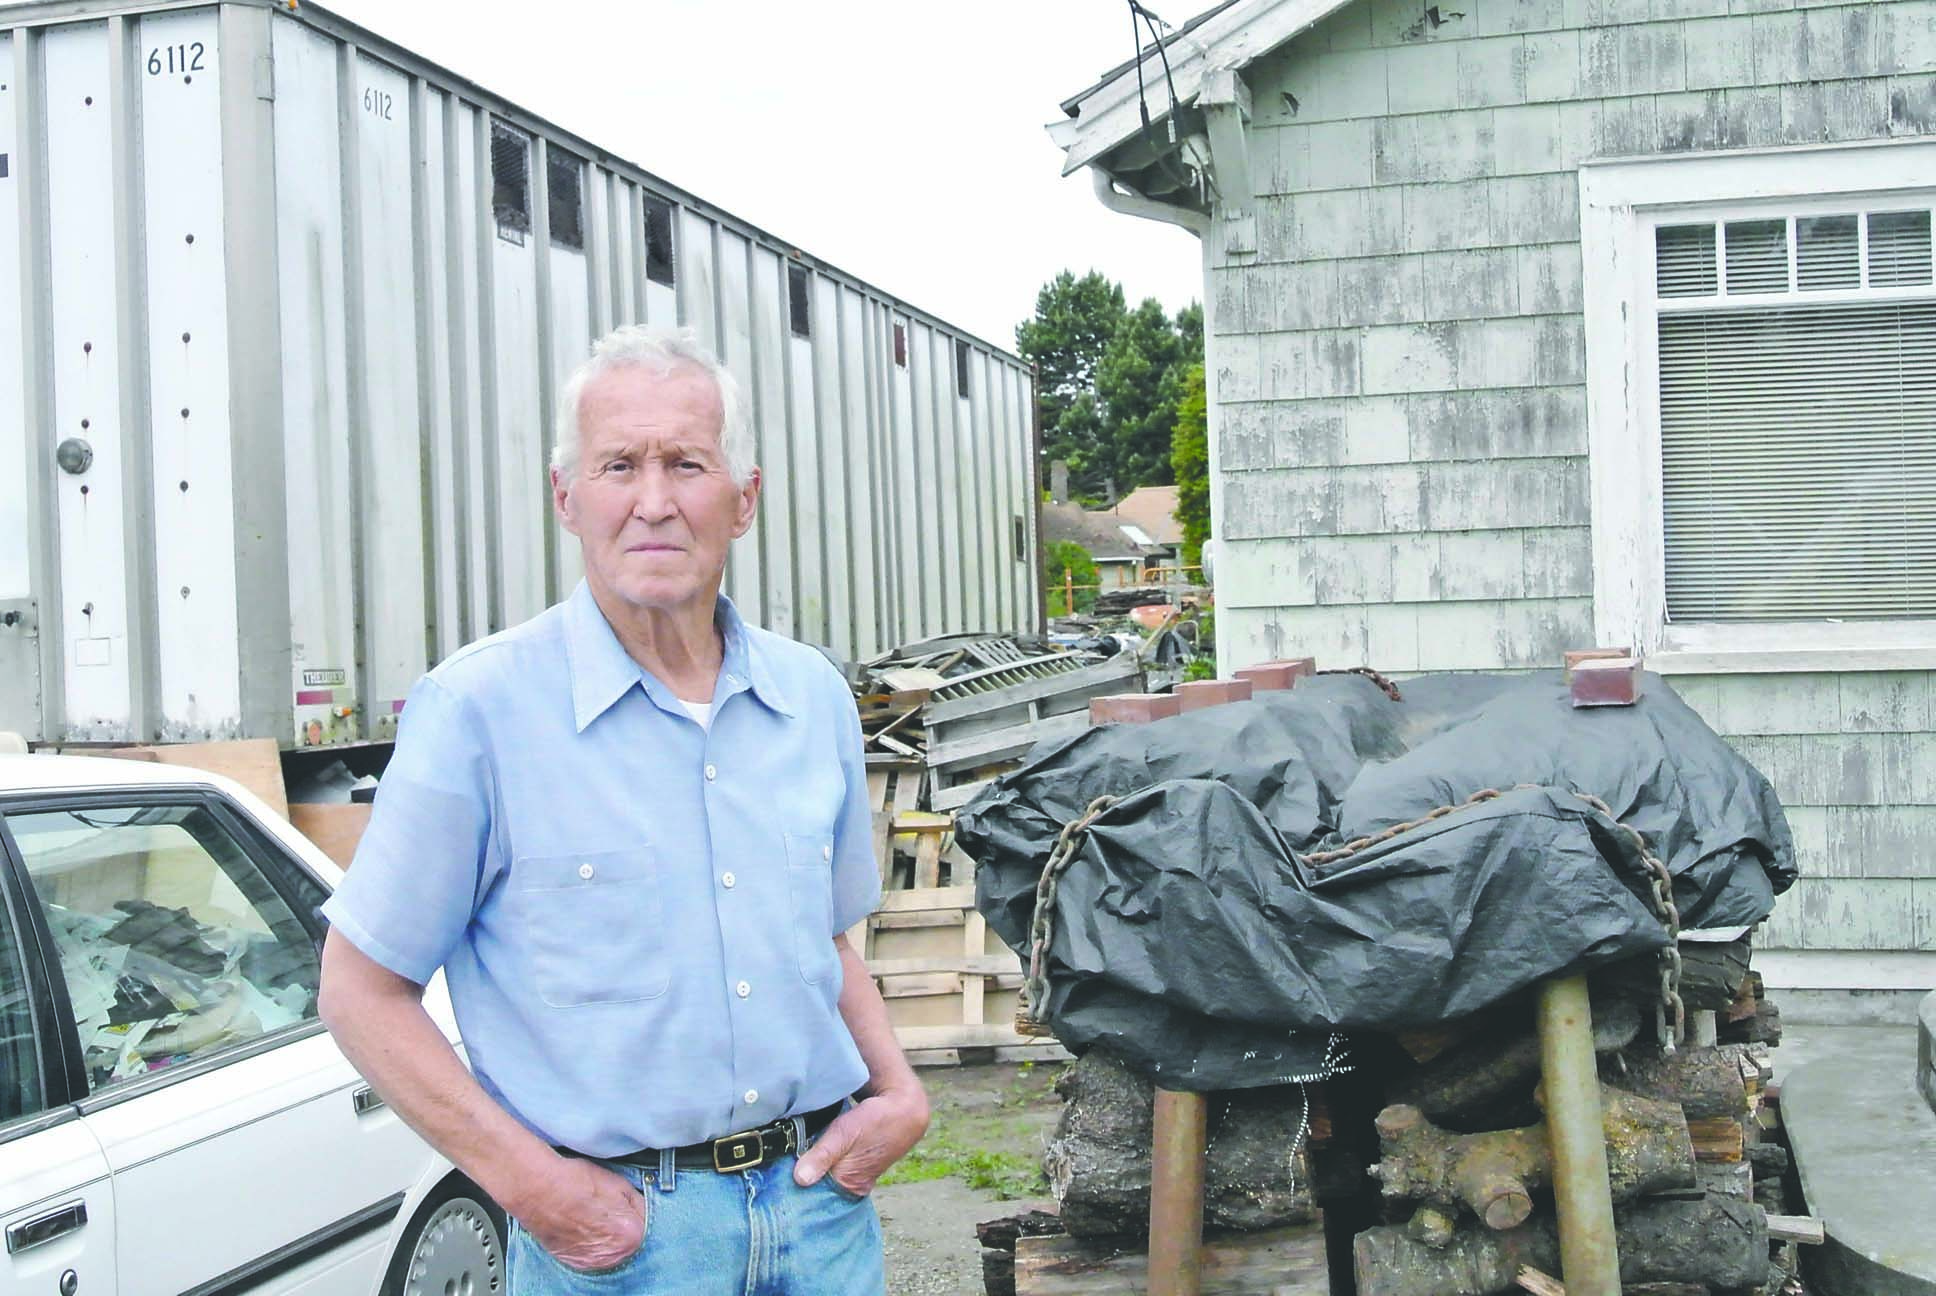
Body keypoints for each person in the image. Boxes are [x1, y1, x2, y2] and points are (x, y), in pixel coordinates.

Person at [317, 325, 928, 1294]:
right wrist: (538, 1190)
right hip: (625, 1246)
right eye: (617, 465)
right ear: (567, 497)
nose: (654, 502)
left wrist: (896, 1092)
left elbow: (827, 938)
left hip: (821, 1217)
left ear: (744, 498)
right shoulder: (478, 711)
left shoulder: (811, 697)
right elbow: (359, 990)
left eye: (687, 463)